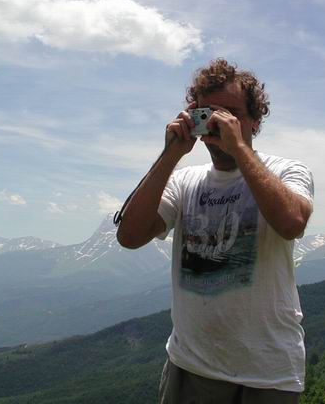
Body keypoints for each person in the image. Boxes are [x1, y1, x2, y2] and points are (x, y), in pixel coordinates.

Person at [117, 58, 314, 403]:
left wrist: (239, 149)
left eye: (232, 113)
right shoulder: (184, 180)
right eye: (209, 113)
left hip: (267, 374)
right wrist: (170, 154)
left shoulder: (288, 171)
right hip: (190, 366)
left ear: (254, 120)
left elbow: (291, 223)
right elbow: (130, 236)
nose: (220, 122)